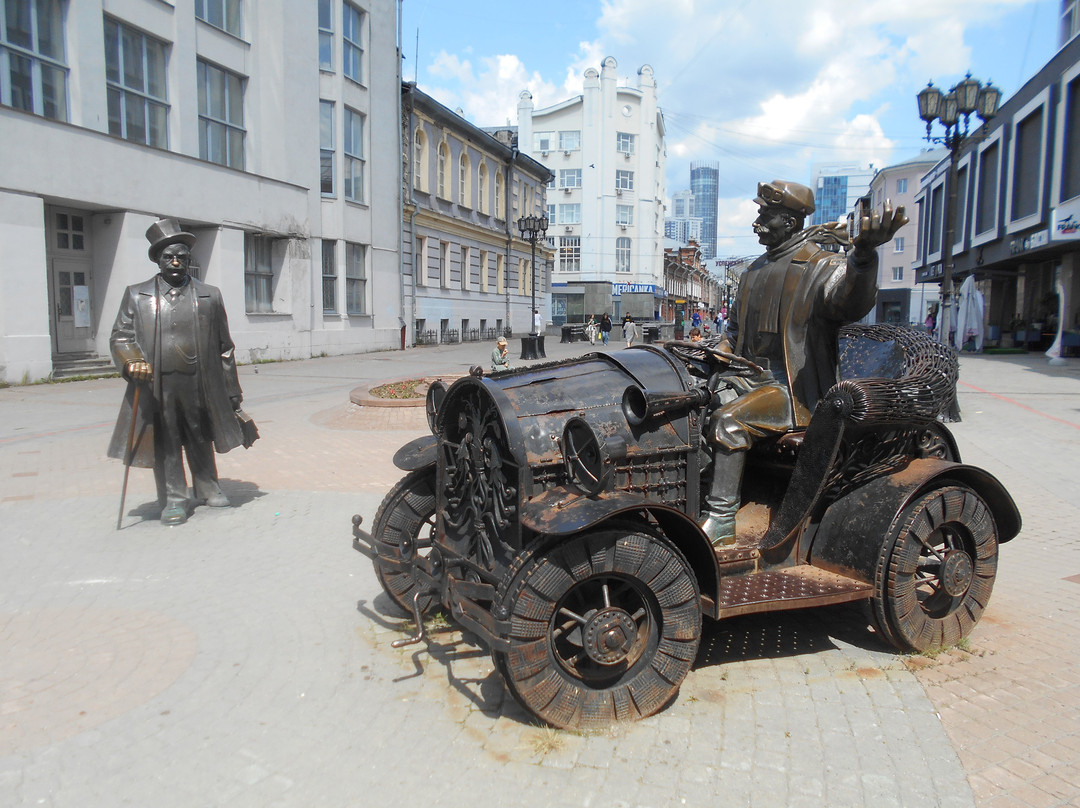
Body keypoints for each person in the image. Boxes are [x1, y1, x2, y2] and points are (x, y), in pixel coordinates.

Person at [698, 180, 906, 546]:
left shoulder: (821, 265)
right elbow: (733, 332)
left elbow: (850, 302)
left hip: (791, 389)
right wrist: (719, 350)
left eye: (766, 216)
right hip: (747, 377)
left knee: (728, 422)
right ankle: (697, 492)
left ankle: (722, 519)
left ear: (790, 223)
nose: (757, 222)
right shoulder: (752, 271)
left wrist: (863, 256)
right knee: (692, 405)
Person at [107, 219, 249, 526]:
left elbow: (225, 347)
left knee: (200, 433)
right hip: (158, 383)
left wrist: (232, 391)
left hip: (200, 380)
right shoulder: (137, 295)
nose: (175, 262)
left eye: (181, 257)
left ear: (188, 260)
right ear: (158, 260)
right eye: (169, 257)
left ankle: (208, 485)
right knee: (167, 438)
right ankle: (173, 498)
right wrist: (132, 361)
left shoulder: (210, 295)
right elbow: (121, 336)